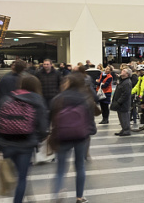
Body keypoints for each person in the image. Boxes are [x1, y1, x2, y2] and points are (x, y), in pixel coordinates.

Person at [0, 73, 49, 203]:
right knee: (22, 178)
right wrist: (40, 138)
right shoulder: (37, 100)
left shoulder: (8, 97)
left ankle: (28, 197)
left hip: (7, 143)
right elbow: (43, 126)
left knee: (14, 175)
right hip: (26, 144)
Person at [49, 73, 96, 203]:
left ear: (68, 83)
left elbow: (51, 117)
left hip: (62, 136)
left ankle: (58, 192)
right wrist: (90, 131)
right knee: (80, 165)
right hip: (81, 136)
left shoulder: (58, 98)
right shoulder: (85, 98)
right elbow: (90, 118)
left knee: (61, 167)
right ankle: (79, 197)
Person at [110, 67, 133, 136]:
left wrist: (119, 102)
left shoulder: (127, 82)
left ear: (127, 74)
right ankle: (123, 129)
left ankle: (126, 130)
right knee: (121, 117)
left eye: (123, 71)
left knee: (124, 117)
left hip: (123, 103)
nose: (121, 72)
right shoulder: (122, 81)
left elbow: (125, 94)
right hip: (120, 103)